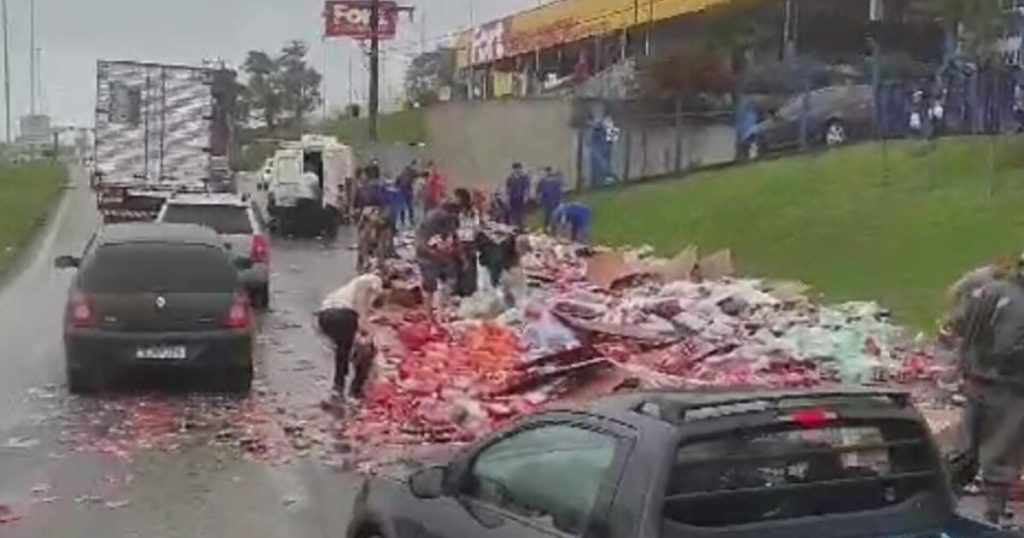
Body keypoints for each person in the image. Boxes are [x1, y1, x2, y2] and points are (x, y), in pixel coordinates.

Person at [954, 253, 1024, 524]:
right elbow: (1009, 350)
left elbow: (960, 323)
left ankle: (945, 502)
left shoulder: (989, 291)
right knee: (1000, 454)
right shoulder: (1019, 304)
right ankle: (992, 518)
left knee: (966, 449)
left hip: (975, 379)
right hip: (1008, 387)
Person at [316, 273, 384, 400]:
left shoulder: (348, 289)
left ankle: (339, 387)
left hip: (325, 316)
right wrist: (365, 328)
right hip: (342, 315)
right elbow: (360, 302)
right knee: (366, 349)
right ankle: (355, 389)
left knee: (343, 349)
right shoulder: (371, 280)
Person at [415, 202, 460, 322]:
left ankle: (439, 312)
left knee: (446, 281)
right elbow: (421, 243)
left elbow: (453, 237)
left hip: (437, 256)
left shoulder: (444, 219)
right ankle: (432, 315)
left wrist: (451, 248)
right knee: (431, 286)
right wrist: (434, 252)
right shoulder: (434, 220)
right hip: (429, 257)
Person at [536, 167, 564, 233]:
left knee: (554, 215)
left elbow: (560, 191)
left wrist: (560, 200)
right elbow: (539, 191)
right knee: (547, 215)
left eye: (549, 172)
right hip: (547, 201)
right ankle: (546, 228)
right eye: (547, 172)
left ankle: (553, 229)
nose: (548, 174)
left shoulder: (556, 182)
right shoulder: (542, 181)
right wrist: (539, 199)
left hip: (554, 201)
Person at [505, 163, 531, 230]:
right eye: (516, 169)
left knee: (521, 213)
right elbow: (508, 189)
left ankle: (520, 226)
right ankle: (514, 226)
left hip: (521, 198)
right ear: (514, 169)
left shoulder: (524, 177)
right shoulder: (510, 178)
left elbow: (526, 188)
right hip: (513, 198)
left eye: (519, 169)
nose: (518, 170)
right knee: (513, 213)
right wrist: (507, 198)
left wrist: (526, 197)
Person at [396, 160, 418, 226]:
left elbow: (397, 180)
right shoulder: (412, 172)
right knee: (409, 207)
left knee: (403, 207)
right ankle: (411, 221)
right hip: (407, 190)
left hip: (402, 191)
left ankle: (403, 222)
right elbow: (418, 175)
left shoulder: (404, 171)